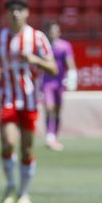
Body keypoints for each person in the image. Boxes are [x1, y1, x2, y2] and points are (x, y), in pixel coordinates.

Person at [0, 0, 57, 203]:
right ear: (7, 14)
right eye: (11, 10)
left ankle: (24, 193)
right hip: (7, 98)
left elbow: (53, 68)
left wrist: (34, 59)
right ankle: (10, 185)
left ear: (26, 13)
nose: (15, 13)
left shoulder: (38, 38)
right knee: (7, 143)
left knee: (27, 148)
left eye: (19, 10)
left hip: (30, 100)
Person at [40, 20, 79, 150]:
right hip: (47, 82)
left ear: (59, 32)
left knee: (57, 111)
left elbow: (70, 63)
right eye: (51, 31)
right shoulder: (43, 47)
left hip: (59, 83)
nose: (53, 33)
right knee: (49, 108)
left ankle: (54, 137)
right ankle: (49, 136)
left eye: (55, 31)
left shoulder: (65, 46)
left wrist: (72, 79)